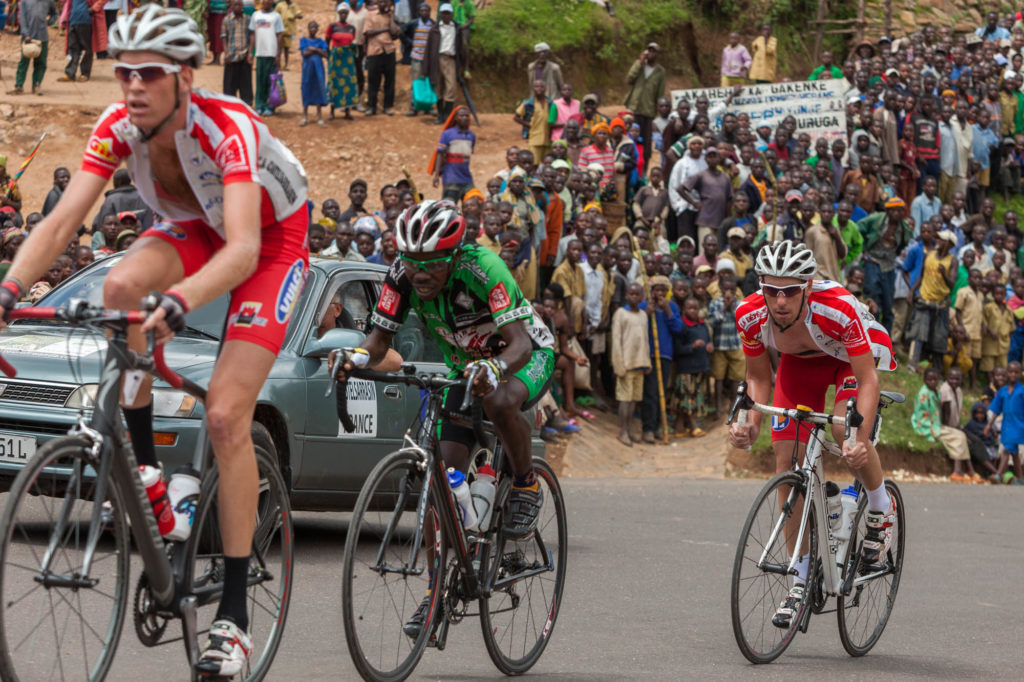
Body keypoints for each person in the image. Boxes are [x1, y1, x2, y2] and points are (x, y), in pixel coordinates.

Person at [0, 7, 310, 675]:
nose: (132, 86)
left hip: (269, 244)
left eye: (149, 74)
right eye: (123, 72)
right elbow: (60, 223)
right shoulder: (117, 127)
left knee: (226, 415)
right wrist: (8, 291)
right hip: (196, 226)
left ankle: (233, 617)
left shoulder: (227, 128)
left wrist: (180, 300)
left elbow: (244, 248)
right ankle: (147, 470)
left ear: (185, 79)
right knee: (118, 289)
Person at [333, 200, 554, 637]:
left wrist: (493, 368)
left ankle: (526, 483)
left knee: (499, 402)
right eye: (412, 261)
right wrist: (355, 355)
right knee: (444, 485)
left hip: (523, 355)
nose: (419, 273)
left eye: (431, 264)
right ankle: (438, 591)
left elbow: (519, 344)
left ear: (453, 256)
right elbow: (378, 342)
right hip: (464, 366)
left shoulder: (484, 268)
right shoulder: (401, 274)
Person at [730, 241, 897, 629]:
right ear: (761, 286)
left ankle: (879, 505)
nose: (780, 300)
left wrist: (857, 437)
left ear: (807, 285)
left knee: (842, 429)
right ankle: (801, 581)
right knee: (785, 459)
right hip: (799, 366)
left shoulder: (836, 306)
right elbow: (757, 377)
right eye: (772, 290)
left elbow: (868, 377)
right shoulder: (749, 315)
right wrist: (750, 425)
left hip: (847, 361)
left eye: (790, 290)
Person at [639, 275, 681, 443]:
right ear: (652, 291)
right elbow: (637, 327)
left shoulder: (672, 307)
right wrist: (646, 315)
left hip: (665, 355)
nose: (660, 294)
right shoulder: (645, 307)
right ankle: (648, 428)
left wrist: (668, 311)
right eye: (657, 290)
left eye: (663, 290)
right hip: (648, 354)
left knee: (661, 391)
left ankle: (658, 427)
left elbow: (678, 328)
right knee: (650, 393)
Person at [611, 282, 650, 446]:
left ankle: (630, 429)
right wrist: (618, 364)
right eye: (631, 294)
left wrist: (648, 361)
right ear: (626, 296)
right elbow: (616, 340)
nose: (634, 297)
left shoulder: (643, 315)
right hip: (626, 364)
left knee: (634, 400)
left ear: (642, 297)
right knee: (625, 400)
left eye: (637, 294)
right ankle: (623, 431)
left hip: (640, 363)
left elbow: (646, 340)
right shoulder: (620, 314)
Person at [624, 41, 666, 174]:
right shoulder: (640, 66)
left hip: (649, 113)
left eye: (654, 51)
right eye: (649, 50)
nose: (651, 53)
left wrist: (657, 117)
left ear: (657, 54)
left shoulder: (660, 72)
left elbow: (660, 94)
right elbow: (629, 79)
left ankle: (643, 172)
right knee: (631, 139)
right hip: (634, 108)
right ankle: (630, 171)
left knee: (646, 146)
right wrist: (639, 62)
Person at [673, 296, 712, 438]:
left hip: (700, 367)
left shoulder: (703, 325)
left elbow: (708, 341)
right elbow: (677, 349)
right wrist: (692, 346)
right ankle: (694, 425)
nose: (693, 311)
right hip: (686, 369)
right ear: (684, 310)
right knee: (687, 398)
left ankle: (679, 427)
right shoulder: (682, 327)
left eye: (695, 308)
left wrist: (709, 347)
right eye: (690, 308)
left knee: (695, 397)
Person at [423, 3, 468, 124]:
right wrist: (425, 69)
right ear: (440, 14)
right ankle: (440, 114)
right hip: (437, 59)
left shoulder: (457, 28)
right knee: (438, 87)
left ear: (452, 14)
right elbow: (428, 49)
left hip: (451, 60)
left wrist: (464, 66)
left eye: (448, 13)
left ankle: (448, 115)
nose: (446, 15)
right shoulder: (435, 29)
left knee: (451, 87)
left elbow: (462, 48)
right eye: (444, 13)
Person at [8, 0, 56, 95]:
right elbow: (22, 18)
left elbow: (54, 13)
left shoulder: (48, 1)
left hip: (42, 37)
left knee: (41, 62)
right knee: (24, 61)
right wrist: (26, 34)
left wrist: (50, 21)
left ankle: (37, 84)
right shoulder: (25, 2)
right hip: (28, 36)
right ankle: (19, 85)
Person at [430, 105, 475, 201]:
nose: (464, 118)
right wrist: (437, 175)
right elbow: (440, 154)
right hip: (451, 178)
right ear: (455, 118)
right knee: (449, 207)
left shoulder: (471, 136)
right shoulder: (447, 134)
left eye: (467, 116)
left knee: (472, 202)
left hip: (466, 178)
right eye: (461, 115)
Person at [362, 0, 399, 116]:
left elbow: (394, 33)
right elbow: (368, 32)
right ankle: (371, 107)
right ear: (378, 3)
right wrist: (385, 29)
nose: (383, 4)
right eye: (381, 2)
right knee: (373, 81)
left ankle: (387, 107)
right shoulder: (370, 15)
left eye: (386, 2)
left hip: (389, 51)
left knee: (390, 81)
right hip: (374, 51)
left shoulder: (390, 16)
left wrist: (391, 17)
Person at [250, 0, 284, 116]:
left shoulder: (276, 16)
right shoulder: (255, 15)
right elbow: (253, 34)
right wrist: (251, 52)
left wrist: (278, 54)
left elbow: (279, 36)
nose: (267, 2)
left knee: (271, 81)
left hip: (271, 53)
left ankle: (270, 106)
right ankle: (260, 105)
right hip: (260, 53)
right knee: (260, 81)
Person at [325, 4, 358, 120]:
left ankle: (347, 111)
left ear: (348, 14)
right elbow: (327, 41)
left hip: (347, 59)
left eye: (345, 12)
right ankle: (332, 111)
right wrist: (328, 55)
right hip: (335, 58)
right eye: (341, 12)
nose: (343, 14)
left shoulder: (351, 28)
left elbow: (351, 41)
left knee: (348, 83)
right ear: (338, 14)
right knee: (334, 83)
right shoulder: (332, 26)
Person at [221, 0, 253, 106]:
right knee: (229, 86)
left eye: (240, 4)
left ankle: (247, 106)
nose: (238, 7)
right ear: (231, 6)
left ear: (243, 6)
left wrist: (250, 53)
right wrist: (226, 53)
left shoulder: (248, 20)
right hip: (231, 57)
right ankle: (230, 106)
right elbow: (224, 37)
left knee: (246, 85)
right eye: (235, 4)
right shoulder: (226, 20)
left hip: (244, 56)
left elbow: (251, 36)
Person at [404, 2, 433, 117]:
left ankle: (428, 107)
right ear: (418, 12)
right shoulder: (413, 24)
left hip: (429, 59)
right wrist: (410, 43)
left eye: (426, 10)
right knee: (416, 83)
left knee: (428, 83)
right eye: (422, 10)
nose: (424, 12)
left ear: (430, 12)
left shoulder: (433, 25)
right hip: (416, 57)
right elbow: (402, 32)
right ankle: (413, 107)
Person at [299, 20, 328, 126]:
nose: (313, 29)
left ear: (317, 29)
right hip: (307, 69)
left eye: (315, 27)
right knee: (306, 88)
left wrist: (314, 49)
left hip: (318, 69)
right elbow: (304, 53)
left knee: (318, 89)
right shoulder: (303, 40)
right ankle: (304, 116)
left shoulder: (321, 41)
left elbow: (326, 55)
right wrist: (318, 51)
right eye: (311, 27)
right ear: (308, 28)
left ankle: (319, 117)